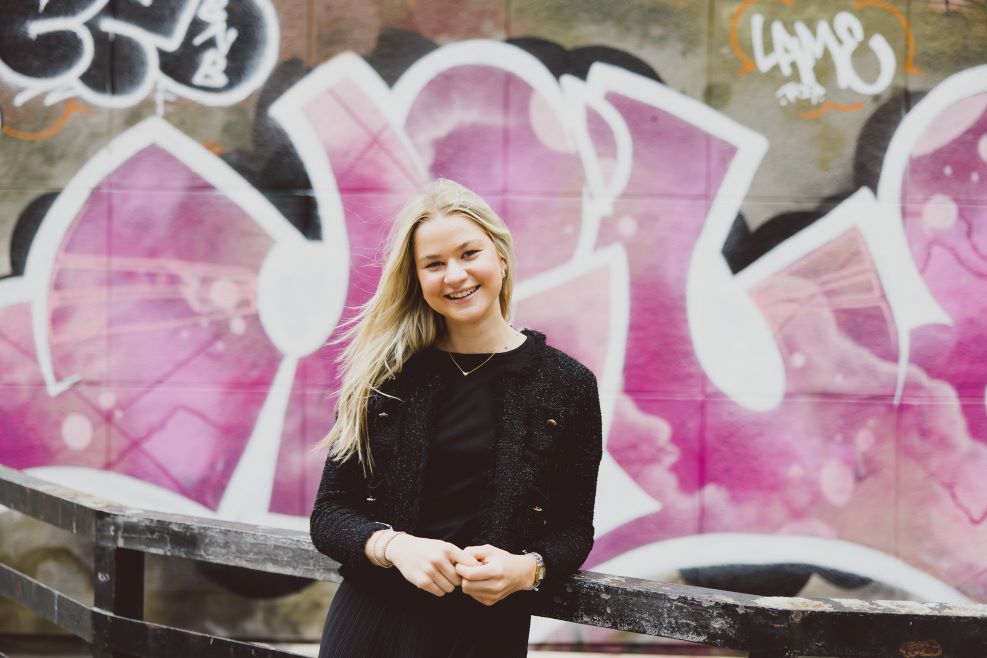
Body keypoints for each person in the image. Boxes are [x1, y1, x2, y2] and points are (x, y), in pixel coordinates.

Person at [311, 179, 603, 658]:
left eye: (469, 253)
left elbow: (574, 528)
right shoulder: (385, 378)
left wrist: (529, 569)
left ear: (500, 258)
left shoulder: (567, 385)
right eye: (434, 264)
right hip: (371, 624)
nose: (455, 275)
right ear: (417, 280)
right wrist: (395, 547)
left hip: (484, 632)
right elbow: (329, 515)